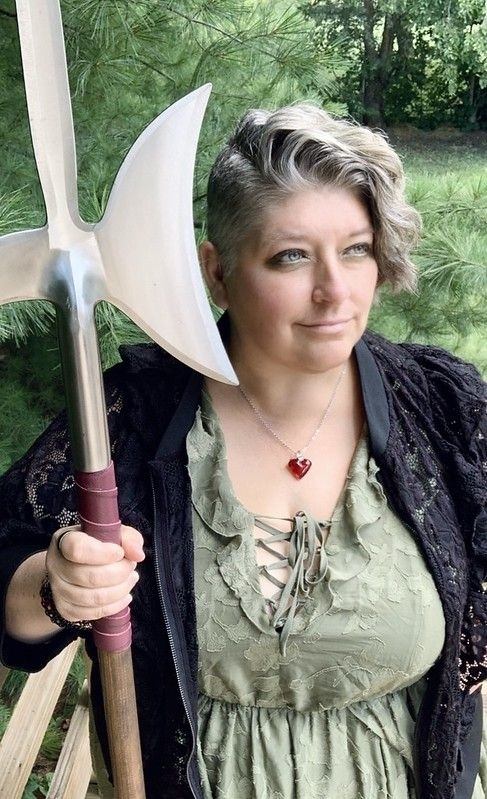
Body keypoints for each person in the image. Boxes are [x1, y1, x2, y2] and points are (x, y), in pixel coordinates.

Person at [0, 103, 486, 799]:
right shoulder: (131, 418)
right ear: (218, 272)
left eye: (354, 249)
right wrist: (52, 588)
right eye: (290, 256)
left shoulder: (441, 407)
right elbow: (5, 570)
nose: (334, 291)